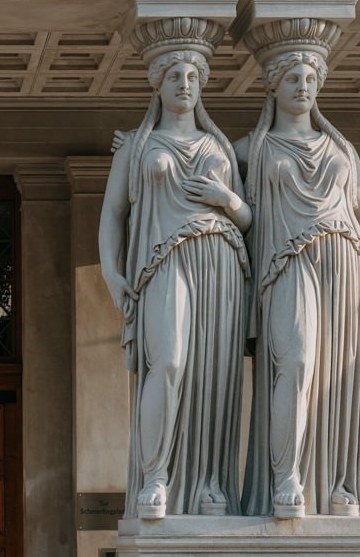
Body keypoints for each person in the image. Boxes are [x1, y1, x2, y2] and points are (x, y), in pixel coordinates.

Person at [99, 35, 251, 518]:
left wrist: (227, 200)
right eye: (174, 77)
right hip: (162, 262)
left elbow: (247, 218)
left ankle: (208, 482)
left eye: (192, 77)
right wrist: (110, 271)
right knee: (169, 363)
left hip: (221, 258)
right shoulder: (138, 144)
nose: (184, 84)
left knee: (214, 374)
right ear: (158, 84)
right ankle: (155, 476)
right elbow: (112, 216)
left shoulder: (218, 145)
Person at [238, 38, 360, 518]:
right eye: (292, 78)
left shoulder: (341, 147)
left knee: (337, 376)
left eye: (309, 79)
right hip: (287, 262)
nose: (302, 86)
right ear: (273, 85)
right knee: (298, 362)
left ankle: (336, 485)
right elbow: (193, 149)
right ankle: (286, 476)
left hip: (346, 261)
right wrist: (136, 146)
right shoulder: (253, 147)